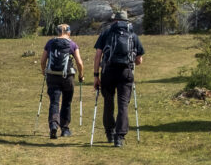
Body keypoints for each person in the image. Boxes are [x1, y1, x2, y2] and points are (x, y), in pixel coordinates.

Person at [93, 11, 144, 147]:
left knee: (108, 102)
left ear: (114, 20)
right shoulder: (132, 35)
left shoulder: (106, 33)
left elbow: (98, 55)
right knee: (123, 104)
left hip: (108, 71)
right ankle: (119, 137)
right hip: (125, 72)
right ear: (127, 21)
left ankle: (110, 132)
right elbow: (139, 60)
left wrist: (96, 75)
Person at [40, 24, 84, 139]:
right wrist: (81, 75)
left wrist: (44, 71)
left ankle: (53, 124)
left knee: (54, 101)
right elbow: (79, 63)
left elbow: (43, 60)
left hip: (52, 76)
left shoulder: (50, 43)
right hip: (67, 77)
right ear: (68, 32)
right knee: (66, 101)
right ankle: (65, 129)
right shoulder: (72, 44)